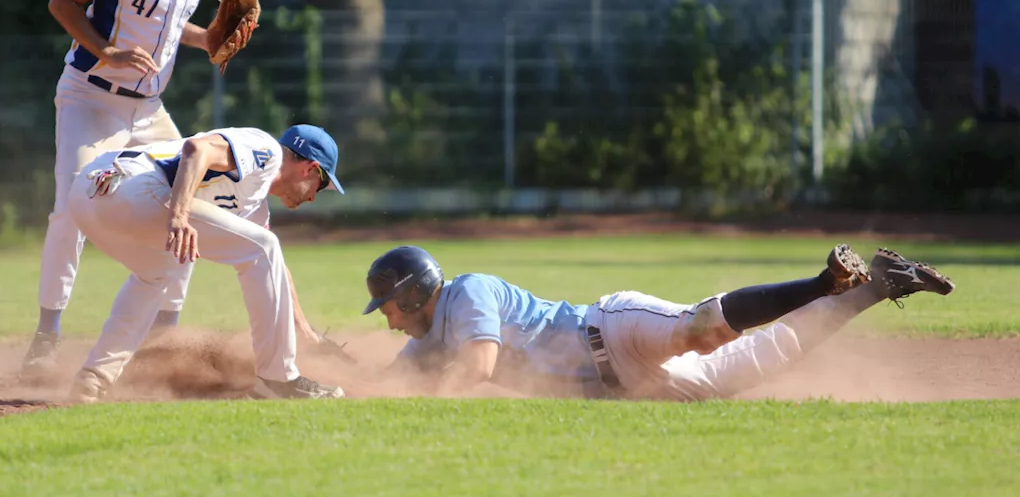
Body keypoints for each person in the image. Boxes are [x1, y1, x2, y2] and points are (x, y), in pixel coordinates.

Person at [22, 0, 237, 381]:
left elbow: (169, 25)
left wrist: (208, 39)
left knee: (193, 196)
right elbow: (62, 2)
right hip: (89, 99)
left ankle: (166, 338)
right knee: (70, 207)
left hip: (149, 109)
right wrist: (106, 52)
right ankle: (47, 336)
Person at [361, 243, 954, 400]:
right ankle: (878, 285)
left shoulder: (468, 295)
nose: (386, 321)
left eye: (386, 307)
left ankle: (826, 281)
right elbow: (385, 384)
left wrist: (432, 389)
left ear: (412, 295)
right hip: (633, 387)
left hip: (612, 328)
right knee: (753, 365)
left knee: (700, 328)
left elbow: (480, 367)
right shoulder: (427, 342)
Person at [67, 124, 348, 402]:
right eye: (320, 186)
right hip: (133, 187)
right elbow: (196, 148)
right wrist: (178, 217)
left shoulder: (254, 203)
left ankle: (93, 378)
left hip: (87, 197)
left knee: (155, 275)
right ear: (310, 169)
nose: (313, 197)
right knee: (263, 247)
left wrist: (306, 331)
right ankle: (278, 380)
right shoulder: (267, 150)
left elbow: (274, 270)